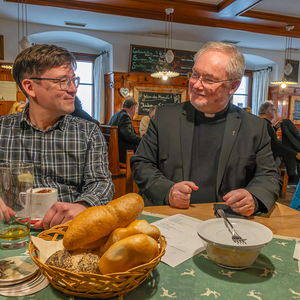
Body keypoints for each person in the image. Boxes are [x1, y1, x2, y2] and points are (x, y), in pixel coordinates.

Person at [131, 41, 281, 217]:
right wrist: (168, 191)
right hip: (170, 215)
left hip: (227, 220)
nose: (196, 85)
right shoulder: (164, 117)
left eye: (208, 79)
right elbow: (141, 163)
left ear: (233, 86)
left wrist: (254, 197)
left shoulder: (254, 127)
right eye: (195, 75)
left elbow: (269, 177)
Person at [0, 44, 114, 230]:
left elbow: (101, 183)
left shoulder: (88, 132)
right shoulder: (2, 129)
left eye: (73, 80)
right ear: (30, 87)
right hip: (12, 231)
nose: (73, 89)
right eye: (62, 81)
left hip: (69, 231)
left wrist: (83, 206)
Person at [258, 100, 300, 178]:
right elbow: (276, 146)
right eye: (274, 109)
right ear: (268, 111)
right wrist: (295, 154)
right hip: (265, 162)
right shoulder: (265, 125)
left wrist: (274, 128)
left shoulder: (260, 123)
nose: (275, 112)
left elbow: (268, 138)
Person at [108, 97, 142, 164]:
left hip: (115, 151)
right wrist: (142, 140)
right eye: (136, 110)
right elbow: (127, 135)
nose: (135, 112)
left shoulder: (115, 115)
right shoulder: (125, 116)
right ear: (133, 107)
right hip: (123, 154)